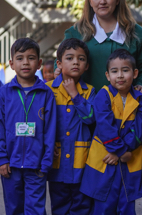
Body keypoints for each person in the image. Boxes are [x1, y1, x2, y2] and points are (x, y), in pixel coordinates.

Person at [55, 0, 142, 96]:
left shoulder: (135, 32)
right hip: (84, 106)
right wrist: (59, 72)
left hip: (126, 107)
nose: (102, 1)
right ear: (90, 1)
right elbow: (60, 63)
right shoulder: (76, 32)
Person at [80, 49, 142, 214]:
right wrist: (121, 150)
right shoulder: (103, 95)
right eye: (114, 71)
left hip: (127, 157)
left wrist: (122, 151)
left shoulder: (140, 98)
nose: (120, 75)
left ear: (135, 73)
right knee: (104, 203)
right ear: (107, 75)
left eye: (125, 70)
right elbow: (105, 127)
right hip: (105, 156)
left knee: (126, 201)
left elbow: (141, 128)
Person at [0, 38, 56, 214]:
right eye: (20, 58)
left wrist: (46, 161)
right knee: (13, 208)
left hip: (37, 165)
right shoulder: (4, 93)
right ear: (11, 64)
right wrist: (1, 159)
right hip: (10, 164)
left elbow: (50, 131)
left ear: (39, 63)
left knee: (35, 209)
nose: (25, 63)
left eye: (31, 58)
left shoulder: (46, 93)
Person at [46, 38, 95, 214]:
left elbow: (90, 118)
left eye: (81, 59)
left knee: (82, 206)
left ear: (86, 66)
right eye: (70, 58)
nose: (76, 62)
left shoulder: (89, 91)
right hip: (56, 162)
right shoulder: (48, 90)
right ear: (59, 63)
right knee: (59, 205)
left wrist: (75, 95)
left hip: (81, 162)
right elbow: (42, 123)